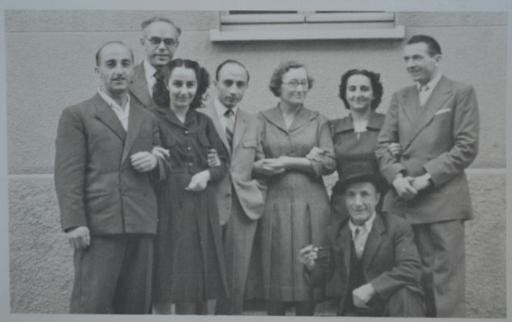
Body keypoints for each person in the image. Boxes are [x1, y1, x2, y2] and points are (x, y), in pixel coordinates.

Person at [54, 41, 166, 313]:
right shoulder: (78, 114)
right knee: (92, 305)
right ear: (97, 71)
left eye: (125, 64)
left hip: (141, 224)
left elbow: (163, 167)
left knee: (136, 308)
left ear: (133, 72)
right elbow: (68, 174)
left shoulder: (147, 117)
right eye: (111, 64)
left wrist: (155, 162)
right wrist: (74, 223)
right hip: (99, 226)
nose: (119, 71)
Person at [376, 34, 479, 317]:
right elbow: (383, 145)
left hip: (442, 199)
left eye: (417, 57)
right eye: (406, 59)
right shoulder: (400, 97)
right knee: (410, 279)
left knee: (445, 282)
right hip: (404, 199)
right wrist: (396, 178)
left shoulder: (460, 92)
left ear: (436, 58)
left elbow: (467, 146)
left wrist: (426, 178)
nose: (410, 64)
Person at [253, 61, 335, 316]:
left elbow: (329, 161)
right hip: (273, 201)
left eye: (304, 83)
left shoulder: (318, 120)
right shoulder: (261, 119)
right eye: (293, 82)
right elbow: (252, 160)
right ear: (278, 86)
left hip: (311, 203)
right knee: (274, 262)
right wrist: (262, 166)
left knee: (308, 263)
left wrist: (290, 161)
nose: (300, 88)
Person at [151, 58, 229, 315]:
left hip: (202, 206)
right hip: (168, 204)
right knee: (168, 269)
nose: (184, 91)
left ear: (199, 87)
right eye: (177, 84)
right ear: (165, 84)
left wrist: (207, 174)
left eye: (190, 85)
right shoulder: (152, 119)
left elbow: (222, 164)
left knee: (203, 269)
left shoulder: (203, 122)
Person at [298, 159, 425, 317]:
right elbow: (325, 279)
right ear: (345, 199)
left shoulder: (396, 226)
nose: (358, 203)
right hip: (355, 310)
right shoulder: (336, 231)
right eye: (351, 195)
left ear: (377, 198)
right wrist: (311, 265)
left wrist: (372, 288)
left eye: (364, 194)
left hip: (394, 307)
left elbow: (411, 269)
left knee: (405, 294)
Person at [200, 59, 266, 314]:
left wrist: (258, 192)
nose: (233, 90)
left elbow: (260, 162)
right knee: (205, 280)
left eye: (240, 84)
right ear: (216, 83)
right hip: (206, 208)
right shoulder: (198, 117)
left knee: (236, 285)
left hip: (242, 210)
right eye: (228, 83)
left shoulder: (253, 121)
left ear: (247, 87)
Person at [330, 69, 387, 222]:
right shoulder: (332, 128)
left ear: (374, 94)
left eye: (364, 89)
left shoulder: (388, 124)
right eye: (352, 89)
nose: (358, 94)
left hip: (381, 201)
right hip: (344, 203)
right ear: (345, 93)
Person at [130, 16, 181, 109]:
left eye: (168, 41)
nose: (162, 47)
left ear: (176, 45)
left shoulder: (187, 79)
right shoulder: (127, 78)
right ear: (143, 42)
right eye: (155, 41)